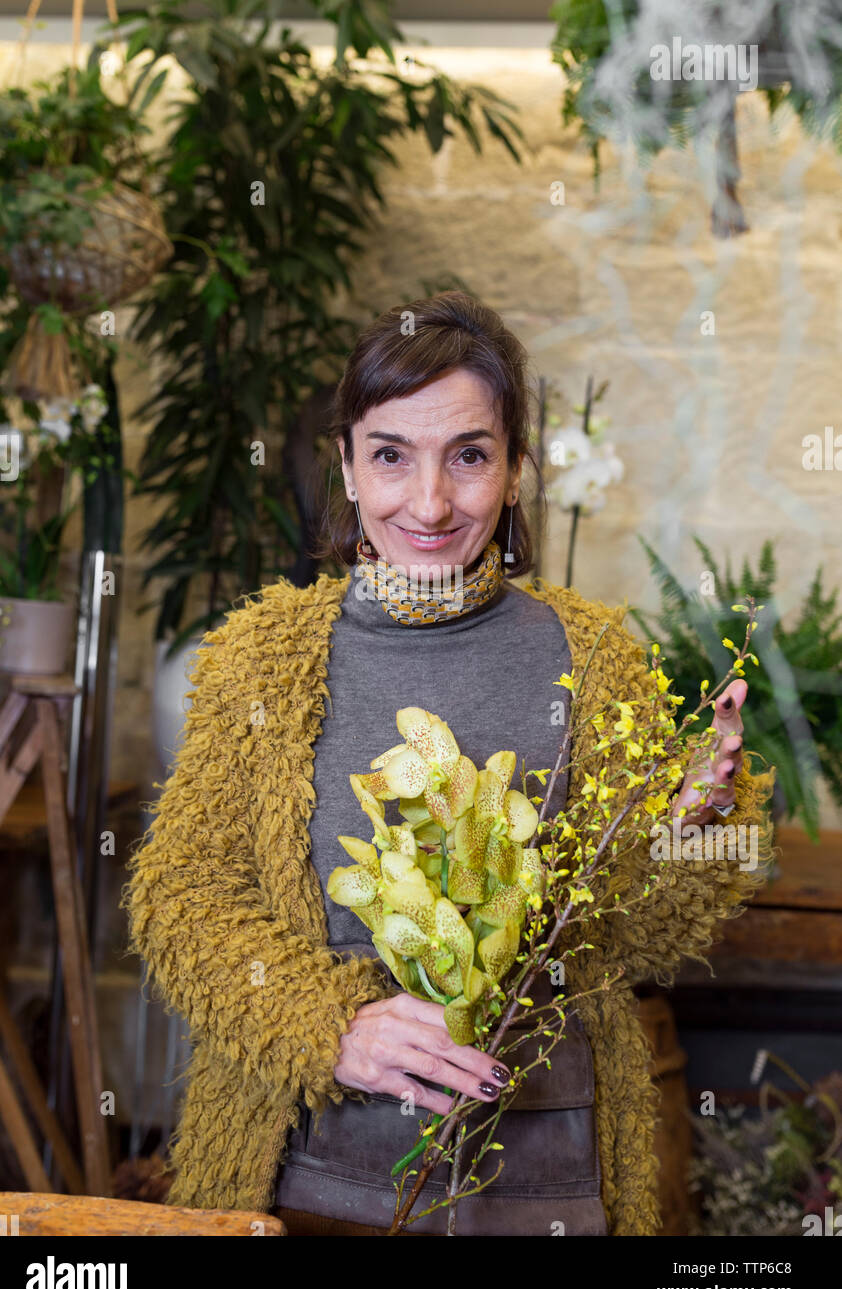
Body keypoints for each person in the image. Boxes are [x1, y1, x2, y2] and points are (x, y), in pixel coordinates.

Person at [123, 290, 775, 1236]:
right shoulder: (259, 660)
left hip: (549, 1175)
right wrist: (334, 1027)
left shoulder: (594, 658)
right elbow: (180, 902)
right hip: (305, 1172)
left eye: (468, 456)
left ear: (514, 471)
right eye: (390, 455)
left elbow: (629, 938)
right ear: (347, 467)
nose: (427, 504)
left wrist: (699, 825)